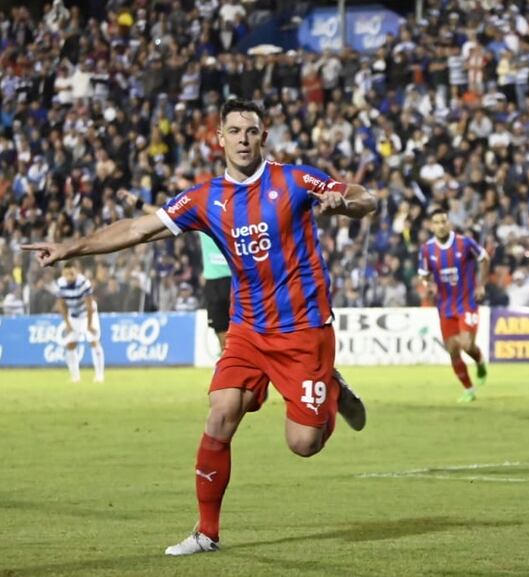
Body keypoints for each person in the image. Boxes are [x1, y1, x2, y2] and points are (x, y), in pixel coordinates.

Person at [24, 97, 375, 555]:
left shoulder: (293, 179)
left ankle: (331, 389)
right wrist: (72, 247)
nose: (243, 139)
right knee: (221, 413)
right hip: (247, 328)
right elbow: (136, 229)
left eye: (251, 130)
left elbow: (364, 197)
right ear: (220, 138)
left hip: (302, 330)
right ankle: (206, 532)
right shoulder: (205, 198)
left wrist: (343, 203)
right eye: (234, 131)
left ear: (263, 136)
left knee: (303, 444)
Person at [118, 189, 232, 352]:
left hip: (236, 282)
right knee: (223, 342)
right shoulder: (203, 217)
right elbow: (165, 215)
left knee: (242, 337)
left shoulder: (239, 217)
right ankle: (228, 373)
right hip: (214, 283)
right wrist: (139, 204)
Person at [418, 207, 490, 402]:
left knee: (467, 345)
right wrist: (429, 285)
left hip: (467, 302)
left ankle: (480, 361)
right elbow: (423, 275)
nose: (441, 226)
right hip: (445, 306)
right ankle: (469, 389)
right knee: (452, 350)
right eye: (437, 222)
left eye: (444, 221)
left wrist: (481, 285)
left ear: (449, 223)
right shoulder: (427, 249)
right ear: (431, 226)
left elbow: (484, 258)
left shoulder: (464, 243)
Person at [55, 262, 105, 383]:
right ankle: (75, 377)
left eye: (71, 273)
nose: (69, 276)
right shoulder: (61, 283)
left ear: (76, 272)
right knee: (71, 344)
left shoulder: (84, 283)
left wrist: (89, 325)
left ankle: (99, 376)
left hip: (89, 314)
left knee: (94, 341)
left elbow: (89, 305)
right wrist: (67, 323)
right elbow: (61, 305)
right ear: (63, 274)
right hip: (74, 315)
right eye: (66, 274)